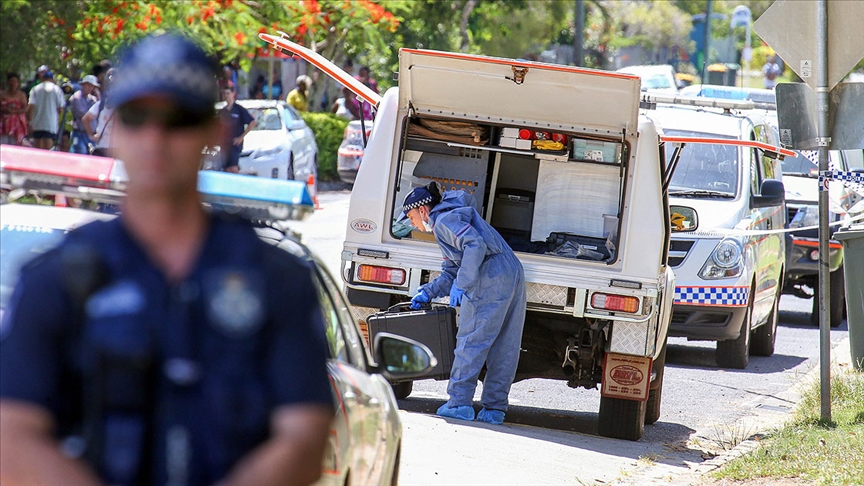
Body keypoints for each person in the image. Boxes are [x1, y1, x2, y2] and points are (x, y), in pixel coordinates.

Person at [0, 33, 334, 486]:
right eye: (138, 117)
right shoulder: (55, 280)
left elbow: (305, 439)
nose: (156, 136)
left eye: (178, 118)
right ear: (115, 130)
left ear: (214, 133)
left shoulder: (277, 280)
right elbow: (14, 437)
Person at [403, 182, 526, 425]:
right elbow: (451, 270)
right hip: (510, 270)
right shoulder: (451, 218)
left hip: (489, 274)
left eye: (411, 216)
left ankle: (459, 403)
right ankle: (494, 409)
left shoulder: (444, 222)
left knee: (471, 340)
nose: (411, 223)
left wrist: (464, 282)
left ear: (423, 210)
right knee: (505, 344)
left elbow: (474, 245)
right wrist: (428, 292)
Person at [220, 82, 256, 173]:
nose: (226, 96)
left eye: (228, 93)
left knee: (233, 167)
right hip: (224, 144)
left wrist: (241, 137)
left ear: (233, 94)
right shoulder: (222, 111)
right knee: (226, 169)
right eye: (224, 94)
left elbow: (252, 122)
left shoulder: (239, 109)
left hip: (234, 143)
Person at [27, 69, 66, 150]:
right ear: (52, 79)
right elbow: (61, 108)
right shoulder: (57, 90)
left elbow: (30, 106)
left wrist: (30, 122)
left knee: (38, 149)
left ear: (42, 79)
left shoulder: (35, 89)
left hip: (37, 123)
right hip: (50, 124)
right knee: (47, 149)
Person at [82, 69, 115, 157]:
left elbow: (86, 119)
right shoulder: (101, 105)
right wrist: (91, 135)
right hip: (103, 147)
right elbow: (86, 119)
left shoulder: (101, 104)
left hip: (115, 149)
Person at [68, 74, 99, 153]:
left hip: (92, 135)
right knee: (81, 154)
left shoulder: (93, 99)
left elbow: (99, 111)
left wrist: (98, 95)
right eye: (88, 85)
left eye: (92, 86)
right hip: (79, 133)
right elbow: (83, 115)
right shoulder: (76, 98)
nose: (90, 88)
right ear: (83, 85)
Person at [1, 72, 29, 145]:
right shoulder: (2, 94)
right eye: (11, 81)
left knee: (15, 144)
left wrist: (14, 111)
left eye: (15, 81)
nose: (13, 83)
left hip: (17, 125)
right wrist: (5, 110)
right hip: (3, 125)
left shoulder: (21, 95)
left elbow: (25, 108)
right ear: (8, 82)